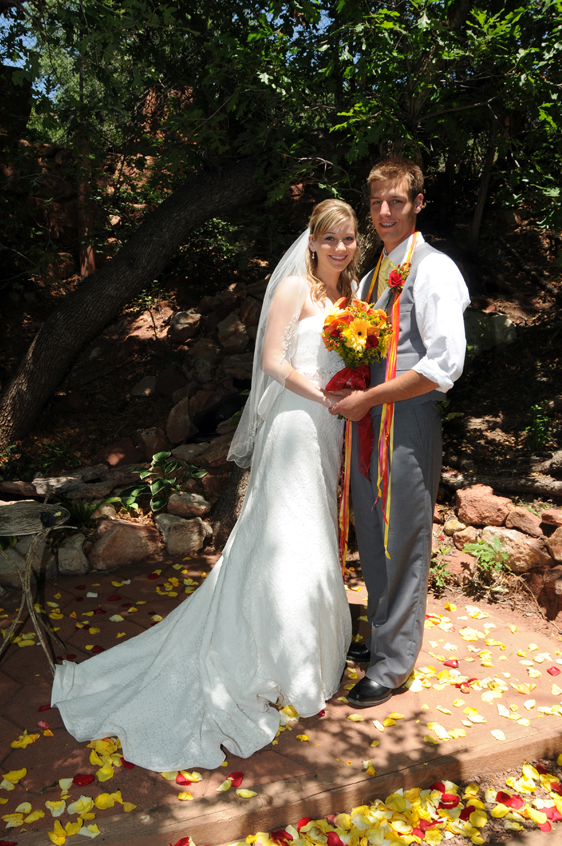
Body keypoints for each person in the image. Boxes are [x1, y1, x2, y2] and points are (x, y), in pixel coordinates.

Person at [51, 199, 359, 771]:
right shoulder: (295, 287)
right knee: (286, 530)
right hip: (296, 420)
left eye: (348, 238)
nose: (340, 248)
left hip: (332, 426)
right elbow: (271, 361)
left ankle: (306, 653)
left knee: (313, 528)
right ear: (313, 241)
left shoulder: (351, 297)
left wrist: (351, 392)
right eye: (330, 238)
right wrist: (326, 396)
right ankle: (280, 656)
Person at [330, 157, 470, 708]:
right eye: (377, 203)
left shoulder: (434, 269)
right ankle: (381, 635)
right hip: (368, 423)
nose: (385, 212)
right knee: (372, 532)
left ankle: (392, 666)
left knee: (404, 538)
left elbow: (443, 365)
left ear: (417, 205)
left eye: (397, 202)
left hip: (407, 419)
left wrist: (369, 399)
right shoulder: (370, 277)